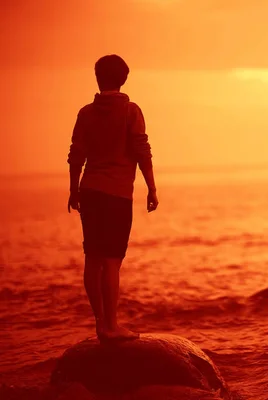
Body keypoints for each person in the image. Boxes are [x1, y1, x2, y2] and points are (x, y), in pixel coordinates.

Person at [67, 54, 158, 341]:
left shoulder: (86, 113)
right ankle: (112, 325)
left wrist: (73, 189)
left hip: (90, 190)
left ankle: (99, 324)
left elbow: (76, 155)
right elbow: (142, 152)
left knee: (92, 259)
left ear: (97, 77)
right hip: (117, 194)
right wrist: (152, 188)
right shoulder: (131, 111)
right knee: (112, 261)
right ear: (124, 78)